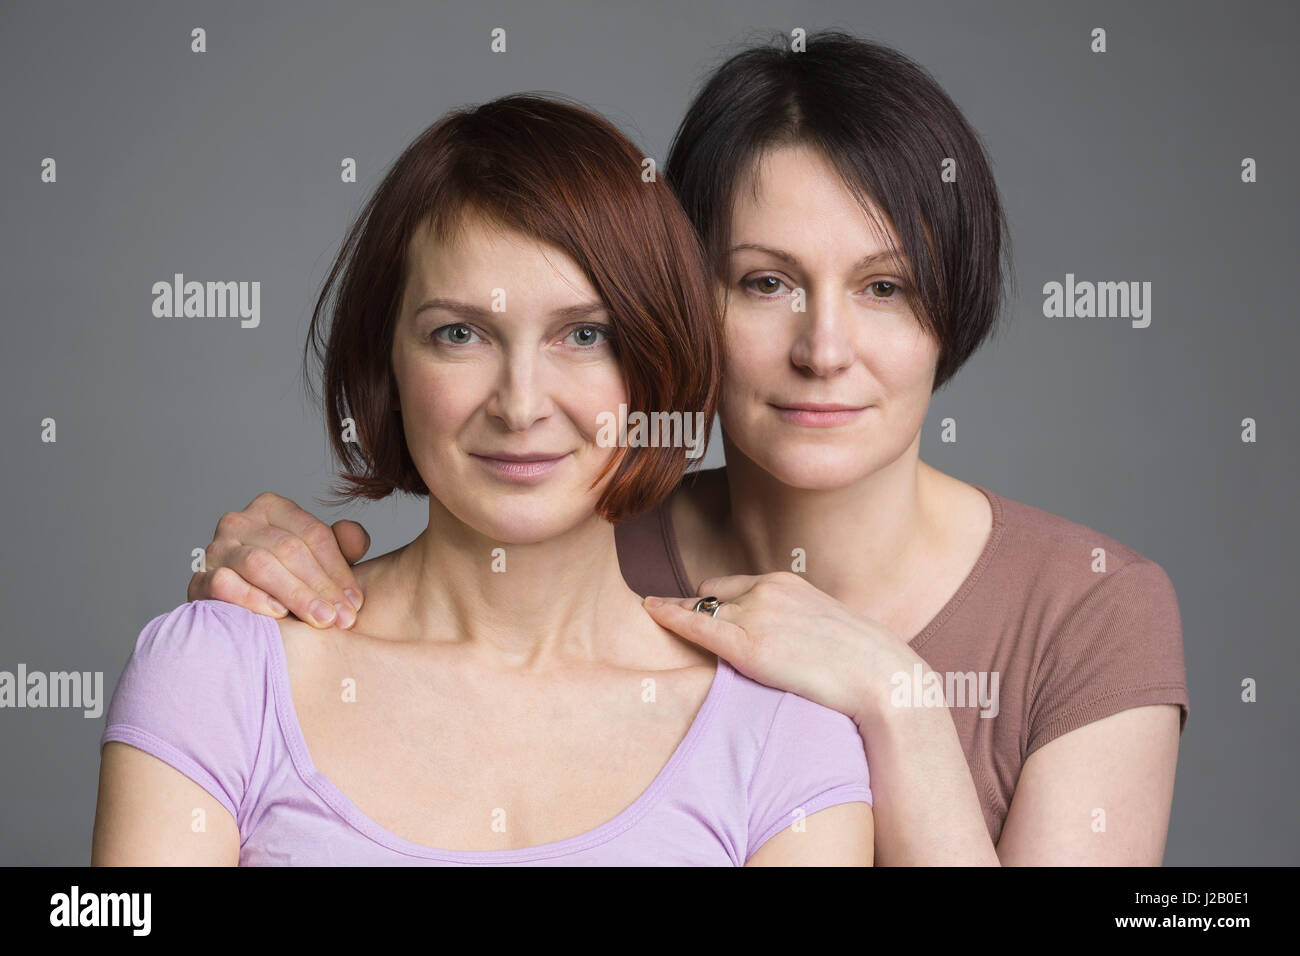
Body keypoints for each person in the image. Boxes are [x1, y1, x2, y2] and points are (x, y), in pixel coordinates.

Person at [186, 32, 1189, 865]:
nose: (823, 348)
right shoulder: (570, 525)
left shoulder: (1092, 607)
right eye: (763, 282)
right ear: (670, 300)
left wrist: (902, 702)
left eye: (884, 287)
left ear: (947, 309)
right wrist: (259, 591)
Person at [91, 93, 874, 866]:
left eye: (585, 335)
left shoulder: (785, 734)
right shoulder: (218, 673)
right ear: (385, 362)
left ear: (658, 362)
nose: (521, 404)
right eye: (459, 334)